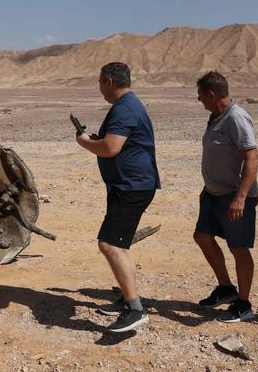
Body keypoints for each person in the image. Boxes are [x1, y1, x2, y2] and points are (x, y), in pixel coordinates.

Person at [75, 62, 160, 333]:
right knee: (119, 245)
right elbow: (117, 142)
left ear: (109, 82)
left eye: (100, 82)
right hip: (128, 185)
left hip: (131, 187)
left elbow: (111, 148)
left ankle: (135, 309)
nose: (99, 88)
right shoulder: (128, 105)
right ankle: (127, 298)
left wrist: (85, 142)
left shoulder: (124, 108)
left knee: (110, 244)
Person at [193, 71, 258, 322]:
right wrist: (206, 186)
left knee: (238, 248)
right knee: (202, 236)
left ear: (211, 95)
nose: (199, 101)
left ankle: (243, 303)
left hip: (234, 196)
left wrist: (240, 197)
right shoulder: (215, 117)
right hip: (213, 193)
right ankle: (225, 289)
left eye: (200, 96)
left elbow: (252, 158)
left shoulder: (237, 117)